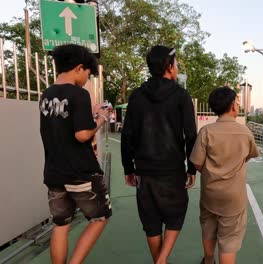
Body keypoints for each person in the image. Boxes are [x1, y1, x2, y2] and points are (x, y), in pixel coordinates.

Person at [121, 45, 197, 264]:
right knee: (175, 216)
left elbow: (128, 135)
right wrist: (191, 168)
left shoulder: (136, 96)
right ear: (169, 66)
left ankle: (158, 260)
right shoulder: (181, 96)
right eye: (176, 62)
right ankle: (162, 260)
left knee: (151, 221)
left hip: (144, 171)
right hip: (172, 170)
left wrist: (129, 168)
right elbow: (190, 135)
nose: (178, 66)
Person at [39, 44, 112, 264]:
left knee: (61, 224)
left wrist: (90, 113)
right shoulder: (78, 94)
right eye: (88, 74)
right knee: (99, 218)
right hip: (81, 172)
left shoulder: (46, 95)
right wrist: (101, 118)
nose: (87, 80)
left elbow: (62, 124)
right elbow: (82, 135)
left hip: (54, 173)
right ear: (79, 68)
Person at [190, 87, 259, 264]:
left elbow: (197, 162)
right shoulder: (245, 132)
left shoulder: (206, 131)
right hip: (234, 196)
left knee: (208, 226)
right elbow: (248, 156)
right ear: (232, 106)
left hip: (210, 193)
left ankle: (209, 259)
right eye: (236, 101)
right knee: (229, 239)